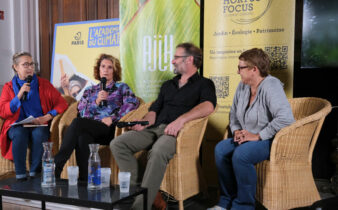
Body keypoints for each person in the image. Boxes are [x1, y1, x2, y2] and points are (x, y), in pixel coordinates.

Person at [110, 42, 217, 210]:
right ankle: (147, 192)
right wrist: (144, 122)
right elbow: (154, 109)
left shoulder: (204, 84)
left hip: (177, 134)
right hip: (154, 129)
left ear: (189, 60)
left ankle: (139, 207)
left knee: (158, 150)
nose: (173, 61)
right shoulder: (168, 85)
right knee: (118, 143)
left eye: (176, 57)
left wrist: (181, 120)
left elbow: (208, 106)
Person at [209, 48, 295, 210]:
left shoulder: (271, 86)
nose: (237, 71)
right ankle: (226, 201)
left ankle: (243, 205)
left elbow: (285, 119)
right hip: (245, 136)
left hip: (270, 140)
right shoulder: (243, 86)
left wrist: (258, 136)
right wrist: (236, 131)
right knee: (220, 149)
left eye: (241, 68)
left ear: (254, 69)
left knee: (241, 154)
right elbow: (233, 113)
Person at [54, 54, 140, 181]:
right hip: (90, 128)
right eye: (103, 66)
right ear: (98, 69)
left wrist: (113, 118)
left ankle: (56, 166)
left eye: (110, 67)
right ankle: (85, 180)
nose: (105, 70)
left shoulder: (121, 87)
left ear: (114, 71)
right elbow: (82, 112)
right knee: (82, 137)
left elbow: (132, 104)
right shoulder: (90, 91)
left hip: (110, 129)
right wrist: (96, 102)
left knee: (77, 123)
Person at [0, 52, 68, 181]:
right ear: (16, 67)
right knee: (19, 134)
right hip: (17, 125)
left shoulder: (44, 84)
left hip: (38, 123)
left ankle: (35, 174)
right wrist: (19, 95)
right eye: (25, 64)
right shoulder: (8, 87)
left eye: (31, 64)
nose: (30, 68)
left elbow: (62, 102)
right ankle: (20, 175)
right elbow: (3, 111)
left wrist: (48, 116)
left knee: (40, 134)